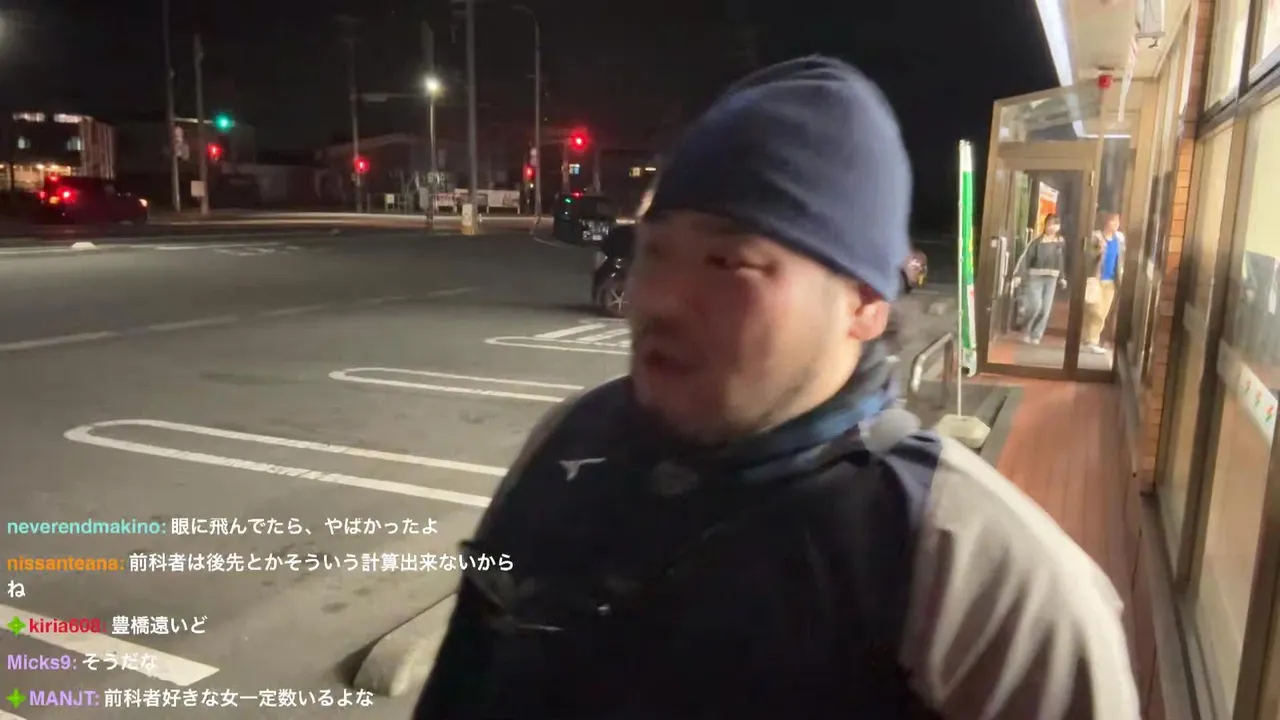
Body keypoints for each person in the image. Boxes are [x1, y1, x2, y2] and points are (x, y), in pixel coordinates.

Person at [414, 56, 1140, 719]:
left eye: (729, 262)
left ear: (864, 303)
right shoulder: (566, 445)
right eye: (655, 251)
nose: (659, 300)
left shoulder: (982, 588)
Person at [1011, 213, 1068, 345]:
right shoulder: (1036, 242)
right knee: (1035, 306)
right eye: (1050, 224)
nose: (1053, 227)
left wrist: (1062, 277)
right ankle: (1026, 329)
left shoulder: (1060, 242)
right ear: (1045, 225)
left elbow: (1061, 260)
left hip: (1052, 278)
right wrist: (1018, 275)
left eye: (1056, 225)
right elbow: (1025, 259)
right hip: (1035, 276)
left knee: (1045, 309)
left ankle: (1036, 334)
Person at [1084, 213, 1125, 354]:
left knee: (1102, 313)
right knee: (1095, 310)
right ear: (1107, 222)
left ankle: (1090, 339)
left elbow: (1121, 259)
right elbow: (1087, 255)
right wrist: (1098, 251)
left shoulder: (1119, 240)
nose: (1116, 225)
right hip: (1096, 279)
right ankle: (1091, 340)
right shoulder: (1097, 237)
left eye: (1117, 222)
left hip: (1111, 281)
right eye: (1113, 221)